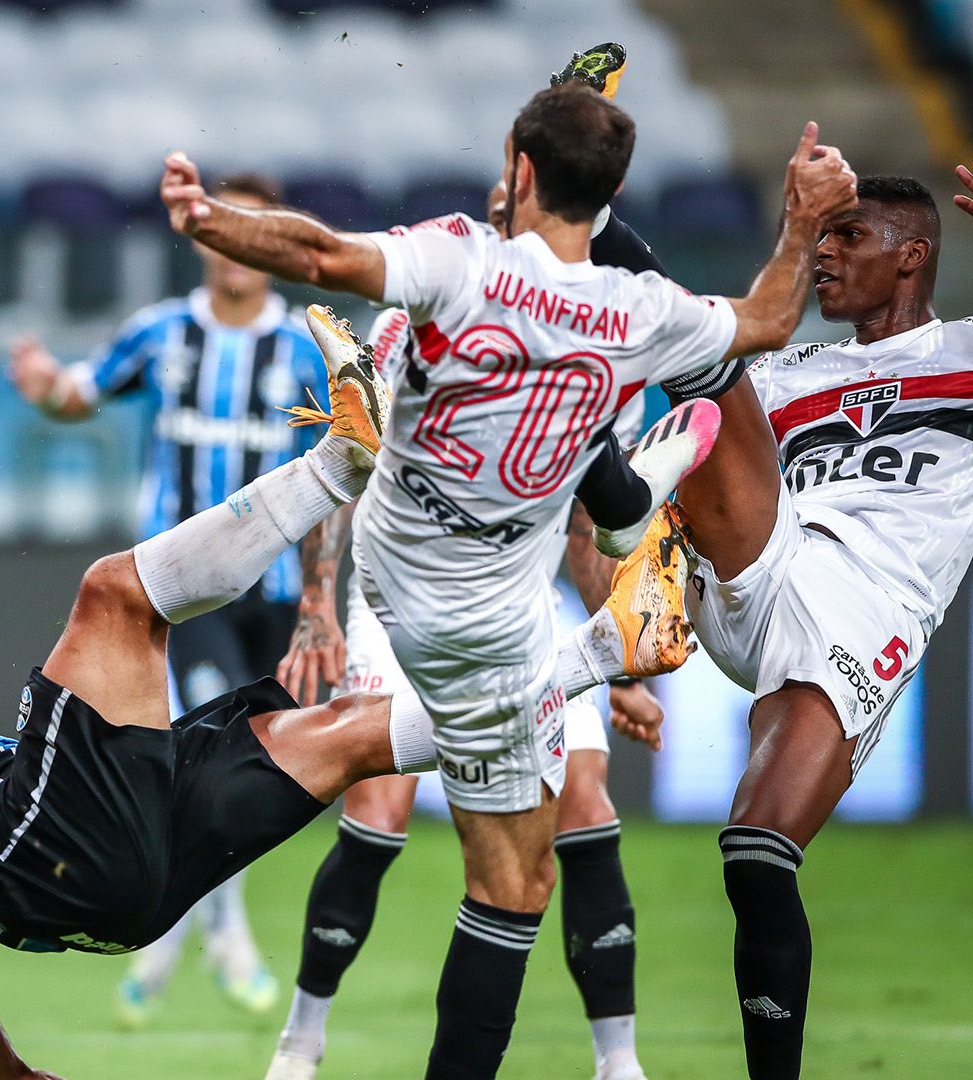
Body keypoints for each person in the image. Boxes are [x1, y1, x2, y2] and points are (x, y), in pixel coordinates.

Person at [0, 323, 695, 1077]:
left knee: (346, 737)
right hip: (38, 852)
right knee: (114, 596)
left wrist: (4, 1071)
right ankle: (341, 462)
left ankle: (602, 652)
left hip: (116, 892)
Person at [160, 83, 858, 1076]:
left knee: (601, 546)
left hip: (405, 568)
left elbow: (318, 255)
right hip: (484, 623)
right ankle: (625, 568)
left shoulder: (457, 261)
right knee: (511, 884)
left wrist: (208, 214)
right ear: (613, 192)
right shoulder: (640, 309)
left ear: (520, 172)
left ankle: (622, 559)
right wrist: (803, 219)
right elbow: (769, 321)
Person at [265, 170, 673, 1080]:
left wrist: (626, 672)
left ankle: (620, 1063)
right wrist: (317, 603)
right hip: (399, 596)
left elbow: (585, 528)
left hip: (519, 611)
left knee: (588, 808)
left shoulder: (593, 350)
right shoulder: (416, 317)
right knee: (379, 809)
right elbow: (351, 449)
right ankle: (301, 1040)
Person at [642, 171, 973, 1079]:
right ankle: (576, 208)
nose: (827, 255)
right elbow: (731, 363)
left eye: (848, 238)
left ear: (913, 256)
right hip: (762, 564)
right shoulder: (790, 371)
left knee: (755, 855)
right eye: (818, 239)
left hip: (871, 601)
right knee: (704, 361)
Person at [7, 170, 325, 1022]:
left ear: (274, 246)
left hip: (280, 591)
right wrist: (44, 386)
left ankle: (179, 937)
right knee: (206, 716)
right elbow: (84, 391)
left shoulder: (303, 349)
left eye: (258, 231)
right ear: (206, 238)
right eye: (227, 229)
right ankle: (218, 935)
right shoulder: (162, 333)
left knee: (245, 756)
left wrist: (327, 598)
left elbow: (344, 473)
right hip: (181, 588)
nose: (238, 249)